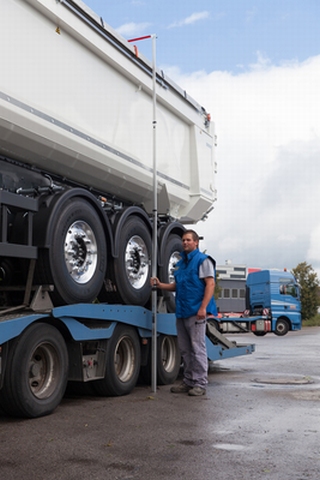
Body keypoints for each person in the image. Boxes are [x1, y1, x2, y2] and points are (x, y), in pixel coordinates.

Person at [151, 229, 217, 396]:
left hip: (196, 311)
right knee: (185, 349)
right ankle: (188, 381)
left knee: (197, 348)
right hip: (182, 311)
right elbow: (177, 286)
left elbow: (210, 284)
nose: (185, 242)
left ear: (196, 242)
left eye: (188, 240)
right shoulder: (182, 263)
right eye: (183, 240)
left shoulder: (203, 261)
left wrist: (203, 308)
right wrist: (160, 285)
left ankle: (200, 383)